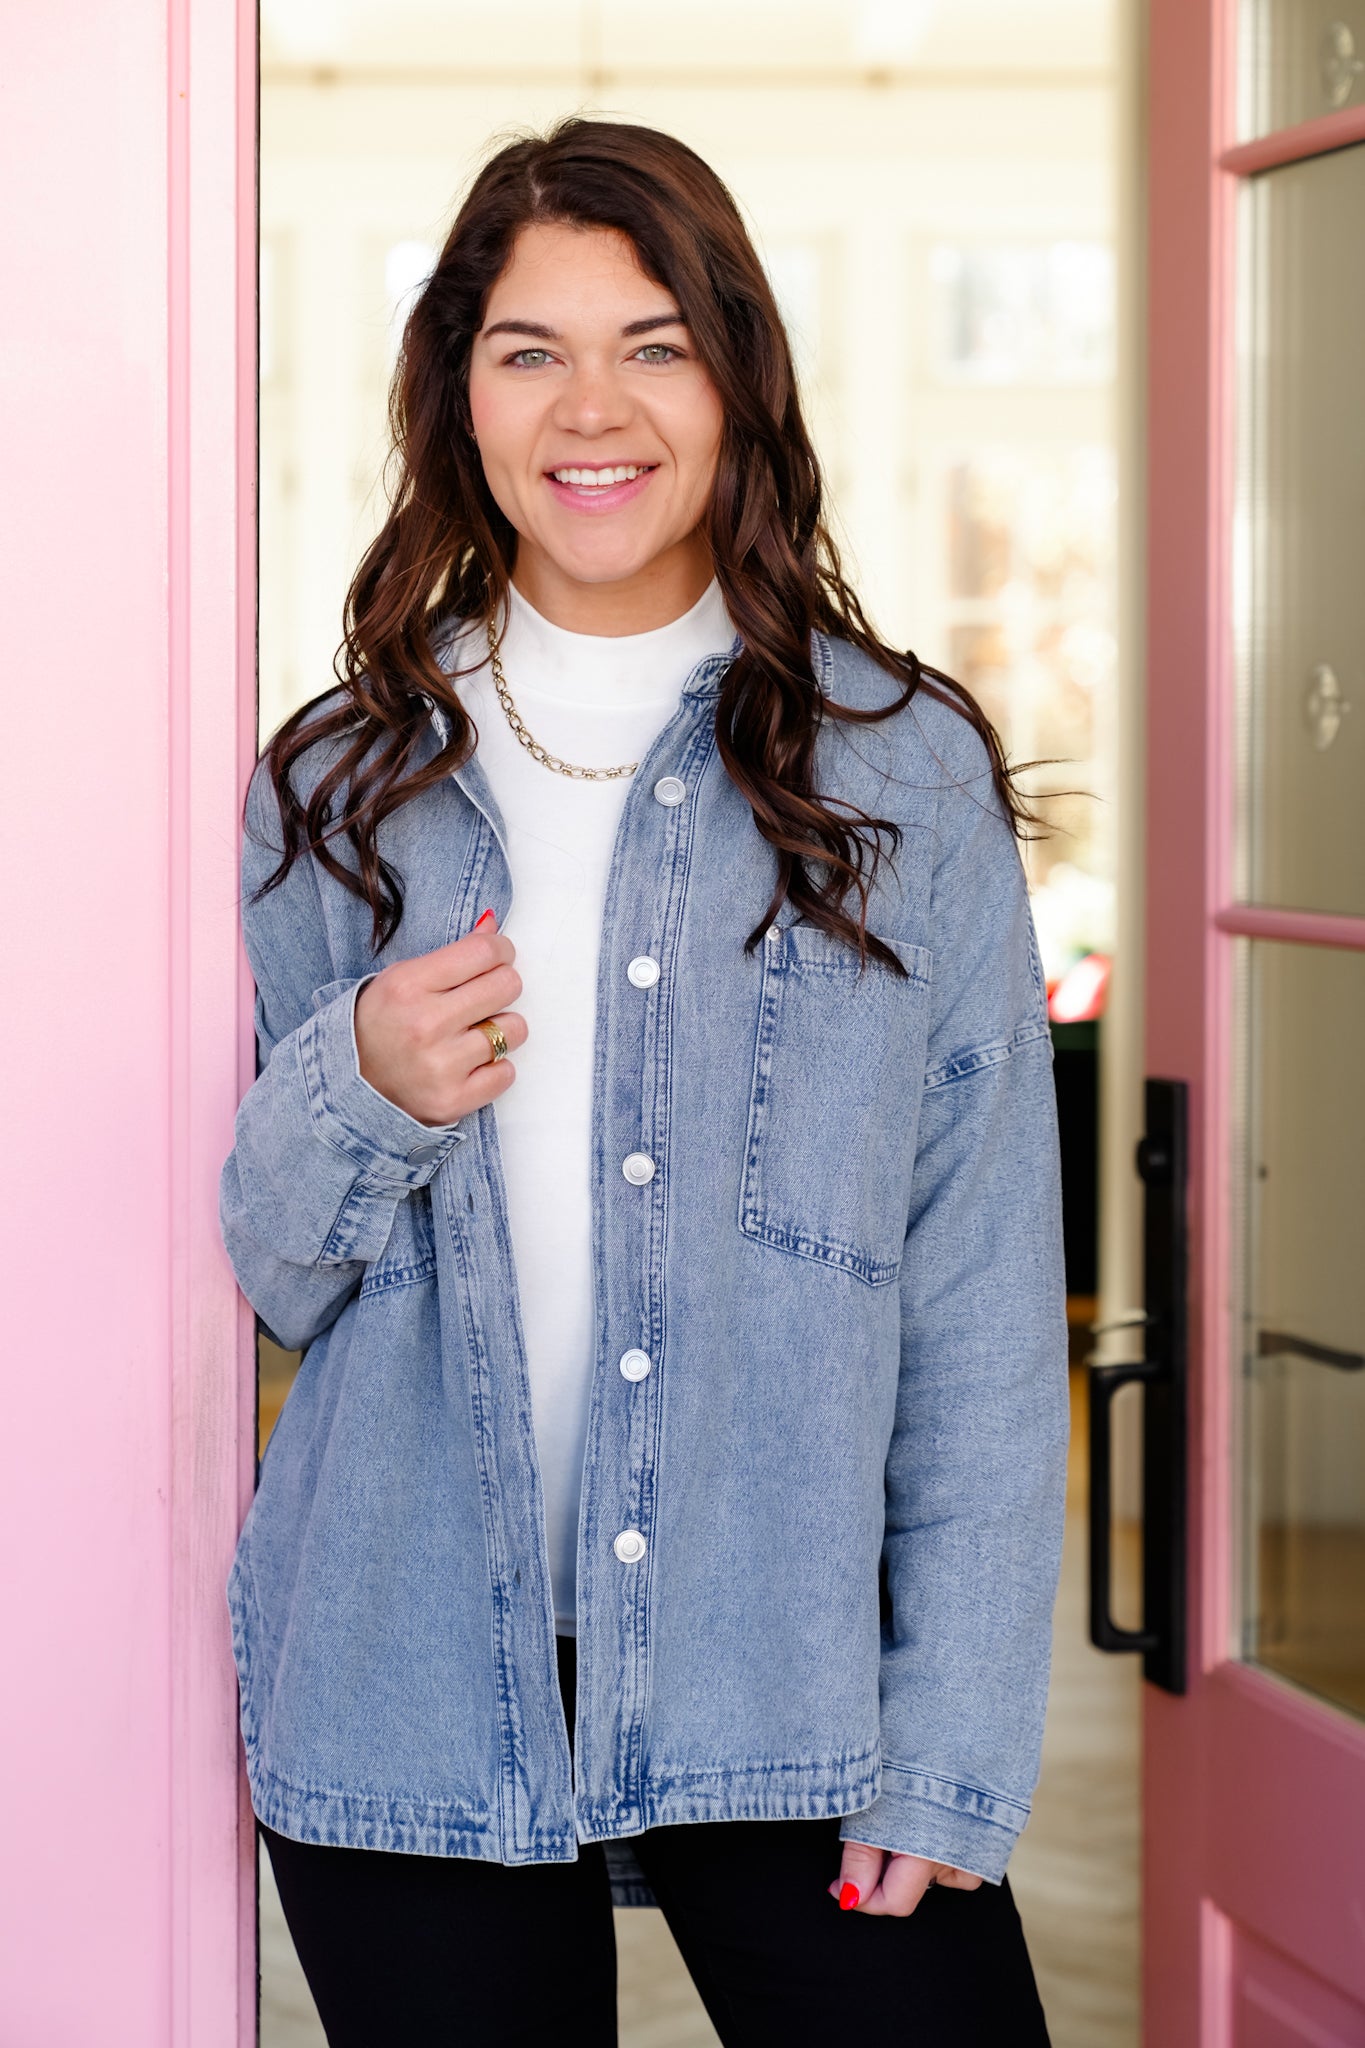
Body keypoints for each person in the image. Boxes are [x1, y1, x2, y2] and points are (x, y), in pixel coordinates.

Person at [221, 118, 1068, 2046]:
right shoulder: (337, 784)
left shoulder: (901, 770)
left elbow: (981, 1296)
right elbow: (272, 1278)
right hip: (411, 1673)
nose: (589, 409)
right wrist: (361, 1086)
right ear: (459, 394)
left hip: (794, 1680)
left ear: (735, 381)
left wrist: (951, 1732)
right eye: (528, 350)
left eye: (652, 346)